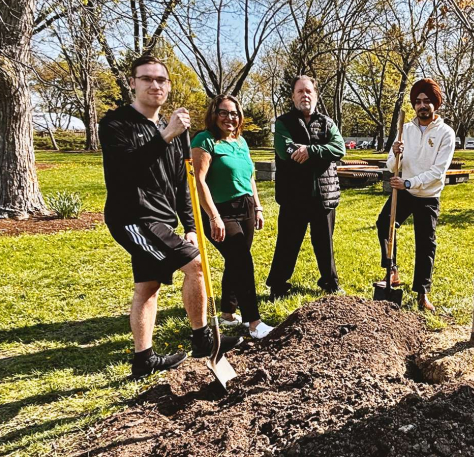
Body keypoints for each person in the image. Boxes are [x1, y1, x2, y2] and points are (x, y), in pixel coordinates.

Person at [99, 55, 241, 379]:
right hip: (132, 218)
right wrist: (164, 136)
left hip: (161, 220)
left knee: (147, 287)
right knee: (195, 265)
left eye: (161, 80)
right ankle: (202, 339)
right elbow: (123, 172)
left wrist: (192, 226)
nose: (154, 85)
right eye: (146, 78)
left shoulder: (174, 132)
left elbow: (183, 184)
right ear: (132, 83)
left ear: (168, 86)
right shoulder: (116, 124)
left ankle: (143, 359)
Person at [191, 95, 274, 340]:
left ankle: (227, 314)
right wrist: (214, 217)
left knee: (236, 261)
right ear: (214, 114)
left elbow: (250, 178)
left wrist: (258, 207)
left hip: (246, 207)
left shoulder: (241, 142)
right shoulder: (204, 140)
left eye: (234, 113)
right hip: (219, 210)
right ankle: (254, 322)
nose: (230, 118)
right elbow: (199, 181)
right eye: (224, 112)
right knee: (243, 262)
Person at [376, 78, 456, 311]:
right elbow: (392, 166)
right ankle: (391, 271)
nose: (422, 105)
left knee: (426, 243)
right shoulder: (405, 130)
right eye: (418, 101)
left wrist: (409, 182)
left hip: (427, 195)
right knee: (385, 224)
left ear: (435, 104)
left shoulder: (445, 134)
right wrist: (394, 152)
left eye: (427, 101)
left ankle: (422, 292)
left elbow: (437, 172)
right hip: (404, 192)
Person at [266, 75, 345, 298]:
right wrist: (321, 151)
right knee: (287, 244)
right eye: (300, 91)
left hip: (324, 194)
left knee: (325, 244)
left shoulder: (328, 123)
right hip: (294, 196)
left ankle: (330, 283)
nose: (305, 95)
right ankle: (278, 285)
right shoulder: (283, 123)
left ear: (316, 95)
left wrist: (310, 150)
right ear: (293, 96)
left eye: (308, 91)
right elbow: (285, 151)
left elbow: (339, 149)